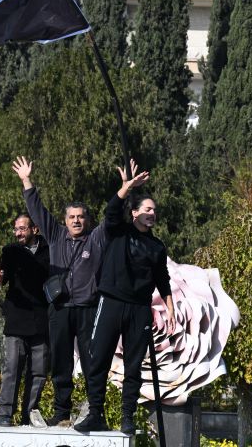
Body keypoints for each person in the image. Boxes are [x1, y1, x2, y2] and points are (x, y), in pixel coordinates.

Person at [75, 162, 175, 435]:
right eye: (147, 209)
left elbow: (162, 278)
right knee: (98, 359)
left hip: (139, 308)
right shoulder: (119, 231)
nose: (152, 213)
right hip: (111, 302)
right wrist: (127, 187)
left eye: (155, 210)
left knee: (134, 366)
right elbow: (110, 211)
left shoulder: (156, 246)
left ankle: (127, 416)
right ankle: (96, 413)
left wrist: (170, 307)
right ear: (134, 213)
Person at [11, 156, 111, 427]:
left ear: (87, 220)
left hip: (87, 309)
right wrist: (26, 180)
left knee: (92, 363)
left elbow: (112, 216)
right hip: (59, 310)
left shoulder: (96, 238)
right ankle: (62, 411)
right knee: (61, 364)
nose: (76, 221)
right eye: (71, 217)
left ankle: (94, 411)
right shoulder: (55, 235)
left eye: (80, 217)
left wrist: (124, 189)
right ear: (65, 220)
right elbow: (36, 209)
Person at [0, 214, 50, 427]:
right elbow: (2, 278)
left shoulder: (50, 250)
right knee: (12, 369)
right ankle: (5, 415)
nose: (18, 233)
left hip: (41, 321)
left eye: (22, 229)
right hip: (16, 320)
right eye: (16, 229)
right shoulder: (10, 252)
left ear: (35, 229)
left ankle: (29, 414)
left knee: (39, 372)